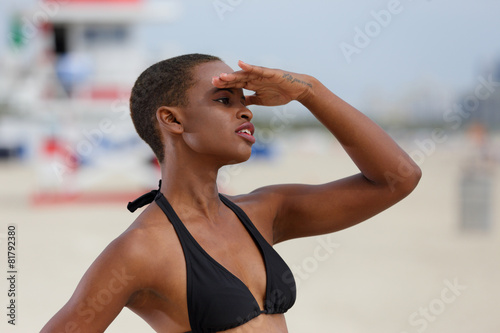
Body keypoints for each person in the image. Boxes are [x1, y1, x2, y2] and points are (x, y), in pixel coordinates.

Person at [41, 53, 421, 333]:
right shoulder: (142, 249)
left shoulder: (263, 211)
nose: (246, 112)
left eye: (244, 101)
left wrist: (309, 91)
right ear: (172, 119)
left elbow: (397, 178)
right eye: (224, 101)